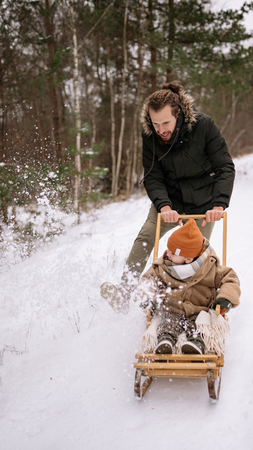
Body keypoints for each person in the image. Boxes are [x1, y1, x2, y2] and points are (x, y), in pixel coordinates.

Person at [101, 81, 235, 314]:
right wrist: (163, 206)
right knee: (146, 235)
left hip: (203, 204)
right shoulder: (151, 136)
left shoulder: (204, 126)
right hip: (170, 201)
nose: (160, 129)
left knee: (195, 256)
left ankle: (195, 305)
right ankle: (125, 290)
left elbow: (224, 166)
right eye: (155, 123)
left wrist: (218, 204)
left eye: (166, 123)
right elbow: (152, 176)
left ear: (179, 114)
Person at [134, 219, 241, 355]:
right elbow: (148, 280)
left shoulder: (210, 267)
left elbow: (230, 279)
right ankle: (165, 340)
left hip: (199, 310)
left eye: (173, 253)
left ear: (188, 259)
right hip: (172, 309)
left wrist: (225, 298)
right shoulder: (163, 266)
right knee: (168, 323)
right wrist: (147, 297)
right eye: (168, 250)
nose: (167, 254)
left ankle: (195, 343)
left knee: (199, 324)